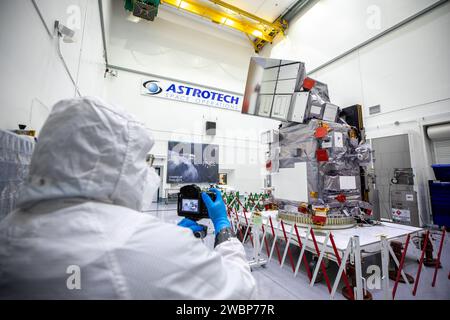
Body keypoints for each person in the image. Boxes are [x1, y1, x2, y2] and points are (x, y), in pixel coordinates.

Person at [0, 97, 256, 299]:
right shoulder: (149, 245)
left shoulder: (10, 228)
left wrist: (168, 234)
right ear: (110, 161)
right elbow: (241, 292)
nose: (146, 171)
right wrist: (224, 230)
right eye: (140, 160)